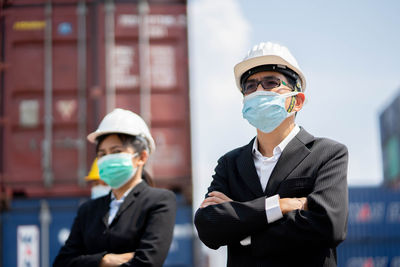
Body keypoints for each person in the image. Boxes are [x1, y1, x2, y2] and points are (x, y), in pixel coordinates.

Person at [194, 42, 348, 267]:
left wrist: (244, 231)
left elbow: (328, 226)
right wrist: (280, 205)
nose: (259, 91)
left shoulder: (328, 154)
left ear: (297, 101)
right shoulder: (230, 163)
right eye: (250, 86)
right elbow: (208, 227)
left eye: (271, 83)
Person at [53, 108, 177, 267]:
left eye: (116, 151)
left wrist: (86, 262)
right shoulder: (88, 210)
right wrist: (105, 260)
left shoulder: (159, 201)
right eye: (102, 154)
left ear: (141, 157)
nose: (107, 159)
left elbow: (147, 263)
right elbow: (62, 263)